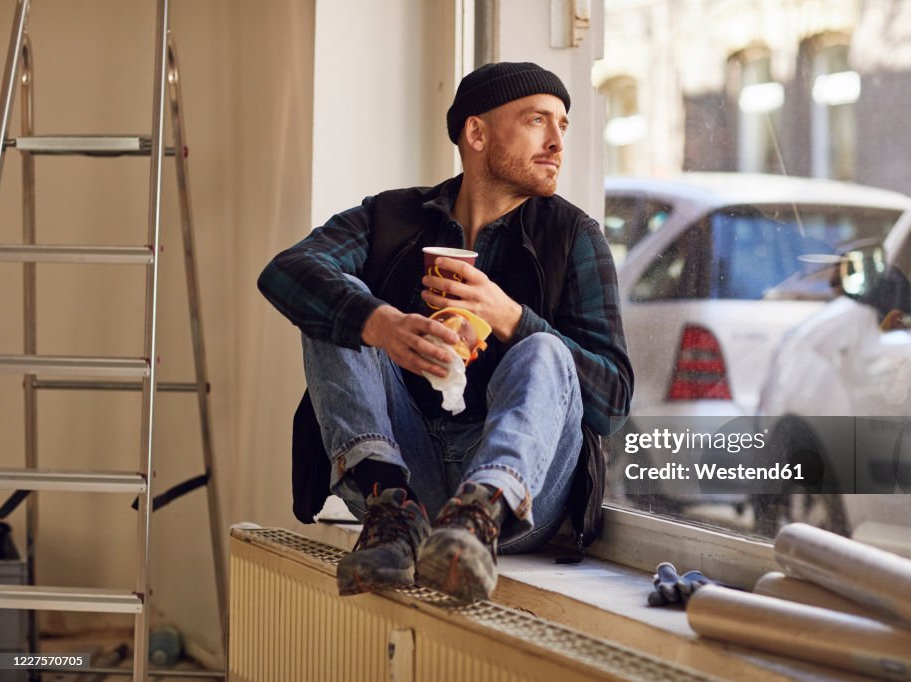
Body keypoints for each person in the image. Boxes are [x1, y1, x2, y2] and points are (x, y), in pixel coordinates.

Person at [258, 62, 633, 602]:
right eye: (536, 121)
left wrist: (511, 318)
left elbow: (614, 402)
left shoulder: (574, 237)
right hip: (404, 472)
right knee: (337, 310)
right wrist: (383, 324)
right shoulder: (392, 217)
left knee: (545, 348)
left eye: (563, 126)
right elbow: (285, 272)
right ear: (476, 133)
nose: (556, 142)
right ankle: (391, 511)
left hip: (517, 503)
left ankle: (475, 516)